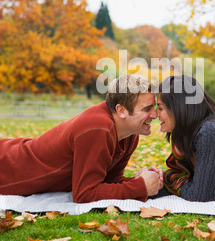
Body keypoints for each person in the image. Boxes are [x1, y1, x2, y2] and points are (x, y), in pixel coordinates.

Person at [0, 75, 163, 203]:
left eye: (154, 107)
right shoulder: (98, 127)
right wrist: (140, 187)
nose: (155, 115)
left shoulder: (130, 135)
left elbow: (109, 180)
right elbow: (85, 193)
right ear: (121, 111)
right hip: (6, 166)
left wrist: (139, 180)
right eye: (147, 109)